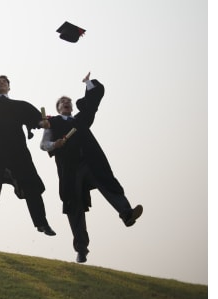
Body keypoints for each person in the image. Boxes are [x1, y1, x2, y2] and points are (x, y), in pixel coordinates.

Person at [40, 72, 143, 263]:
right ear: (58, 108)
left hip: (91, 162)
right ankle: (81, 249)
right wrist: (55, 145)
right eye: (62, 102)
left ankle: (126, 213)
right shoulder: (51, 123)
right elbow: (43, 145)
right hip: (70, 170)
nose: (67, 103)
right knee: (74, 206)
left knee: (108, 184)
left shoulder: (81, 120)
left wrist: (87, 83)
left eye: (68, 101)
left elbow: (93, 103)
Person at [0, 43, 56, 238]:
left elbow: (36, 120)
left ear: (9, 86)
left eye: (4, 81)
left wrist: (43, 123)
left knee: (31, 185)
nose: (0, 82)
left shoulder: (20, 105)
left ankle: (42, 223)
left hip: (18, 150)